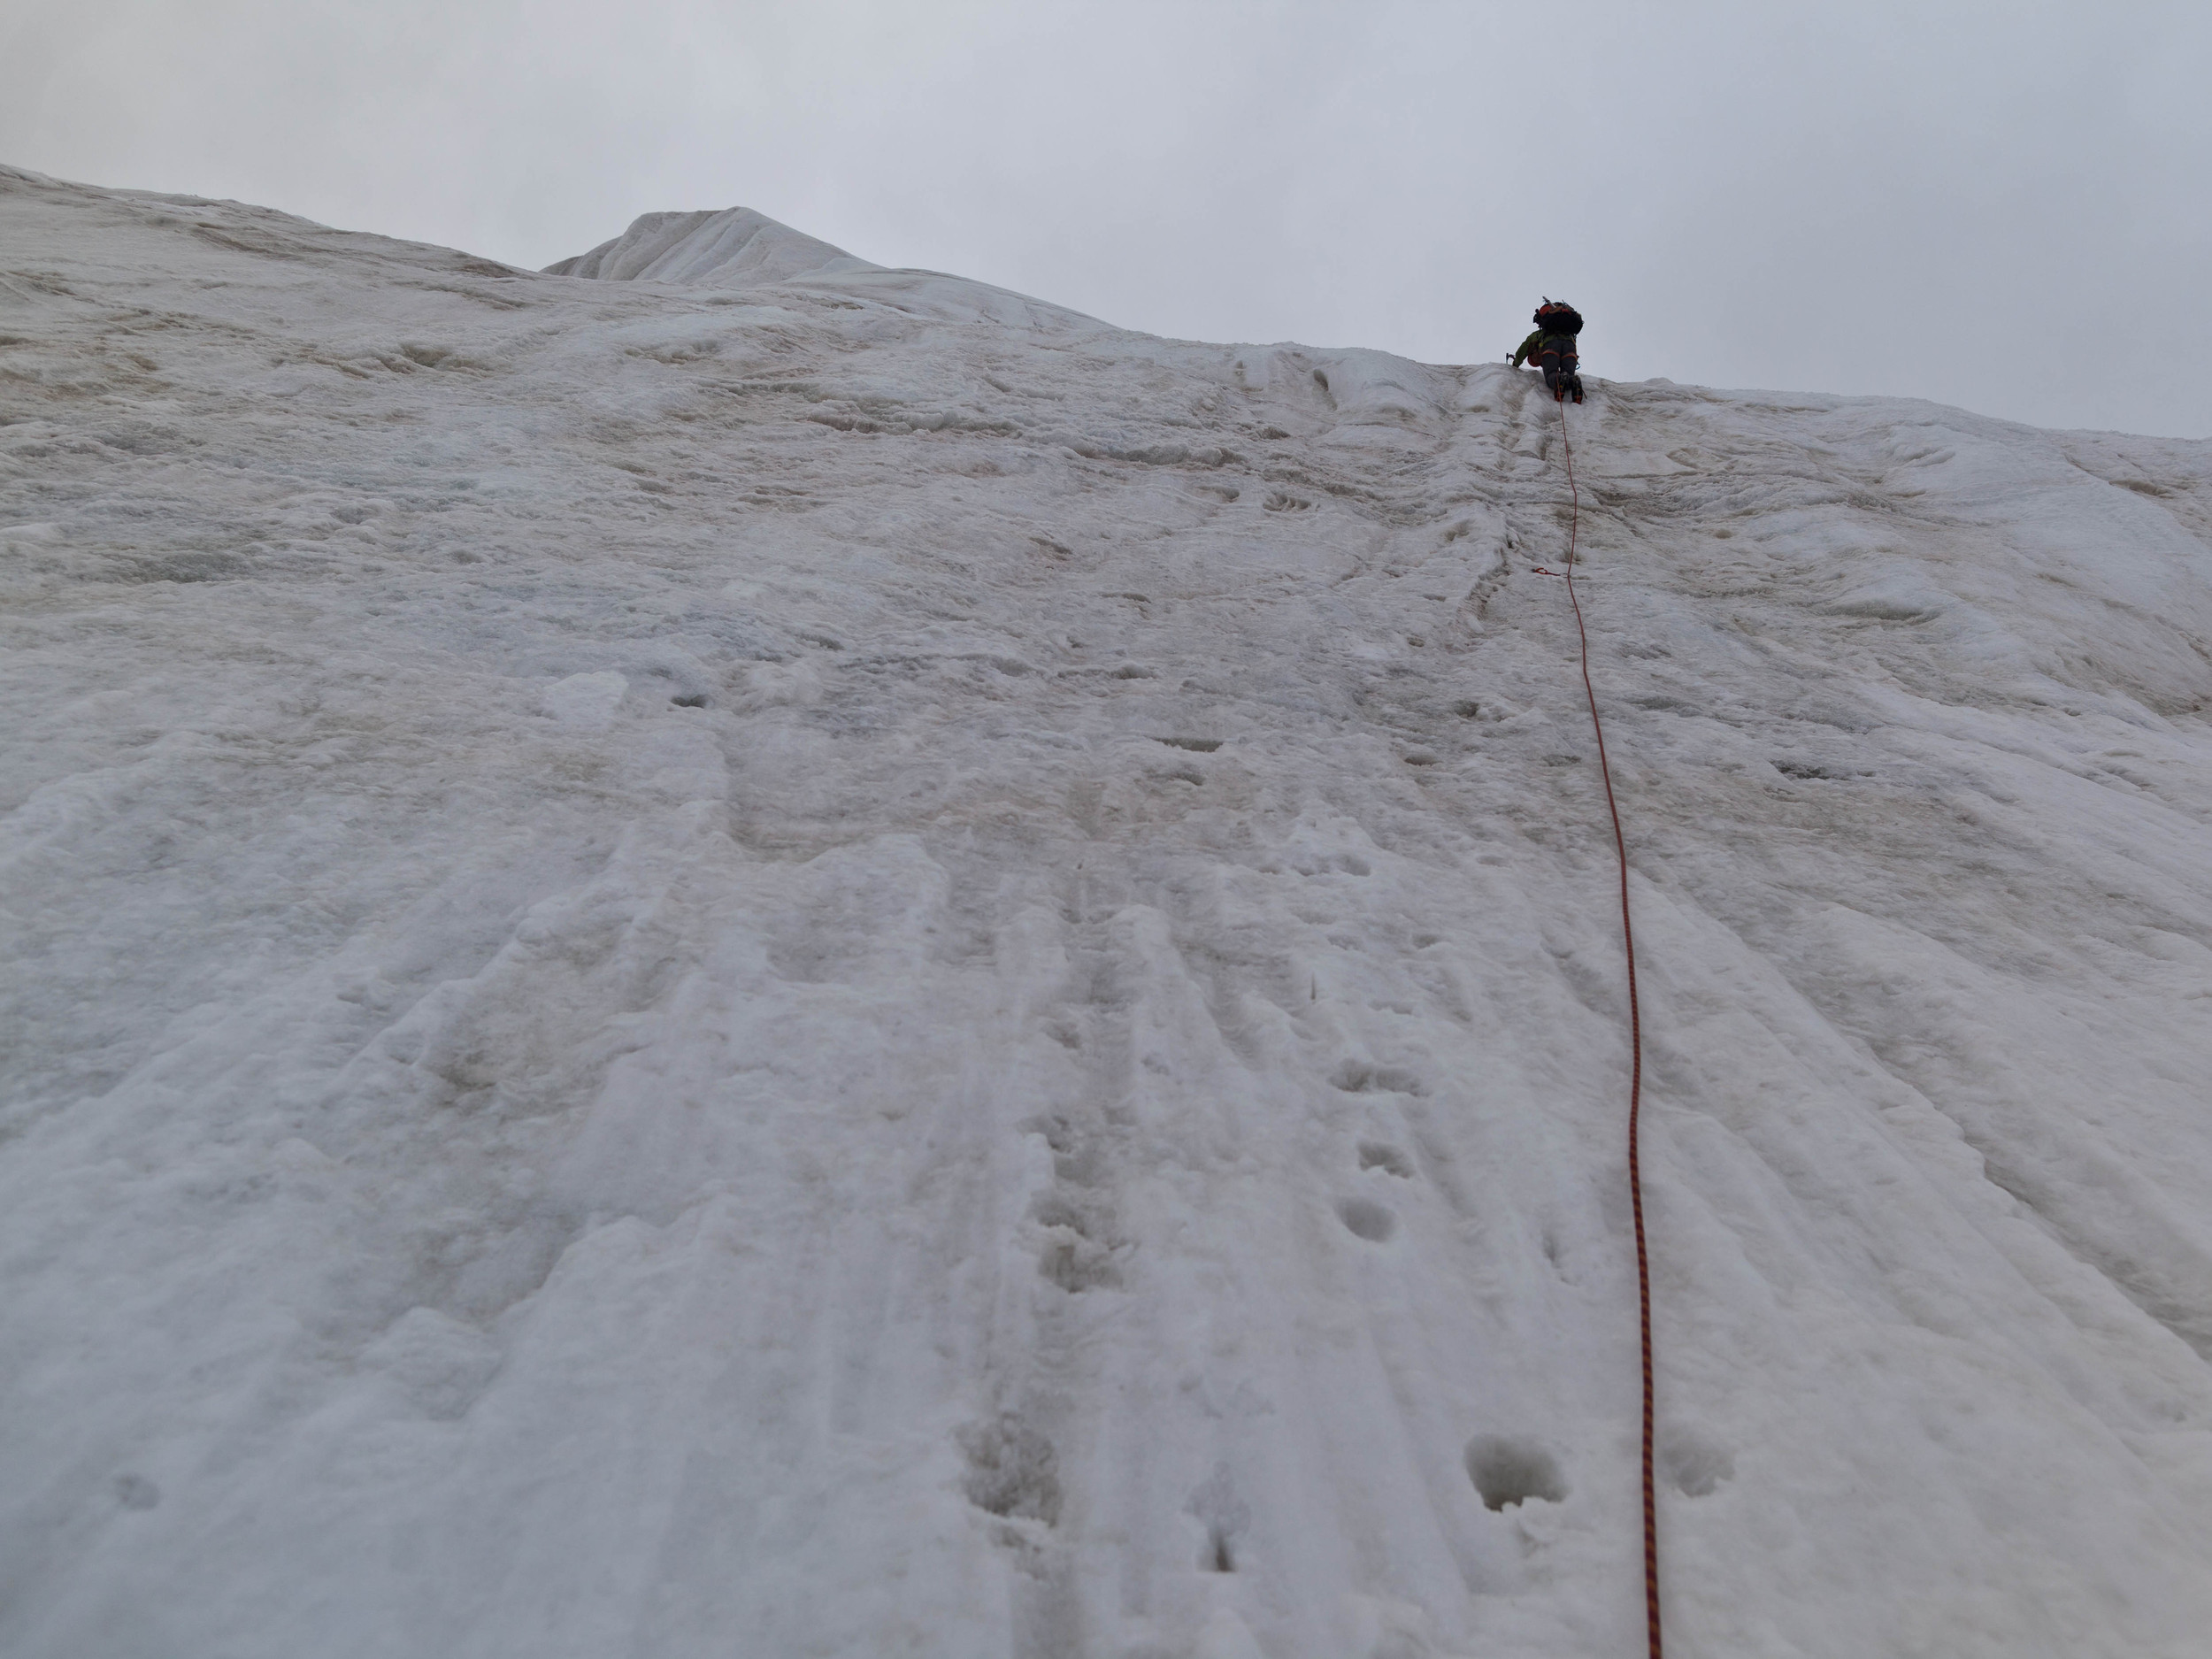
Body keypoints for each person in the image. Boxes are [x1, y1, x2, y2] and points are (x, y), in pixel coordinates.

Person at [1511, 300, 1584, 404]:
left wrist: (1516, 364)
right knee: (1568, 376)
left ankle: (1559, 378)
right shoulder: (1570, 333)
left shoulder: (1541, 333)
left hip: (1551, 346)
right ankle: (1574, 380)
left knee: (1552, 376)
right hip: (1570, 346)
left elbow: (1525, 346)